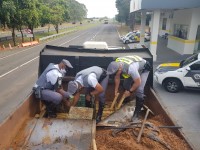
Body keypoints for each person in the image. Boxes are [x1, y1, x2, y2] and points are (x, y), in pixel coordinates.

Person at [106, 55, 151, 122]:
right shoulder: (117, 63)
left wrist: (130, 91)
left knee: (139, 90)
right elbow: (117, 77)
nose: (116, 74)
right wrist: (116, 89)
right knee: (125, 84)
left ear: (120, 69)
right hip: (135, 67)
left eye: (116, 72)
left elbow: (138, 82)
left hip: (144, 68)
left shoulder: (131, 69)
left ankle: (136, 115)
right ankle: (126, 101)